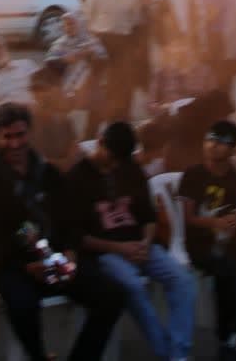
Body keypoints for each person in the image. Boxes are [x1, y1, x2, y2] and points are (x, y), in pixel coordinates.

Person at [0, 103, 126, 361]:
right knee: (23, 305)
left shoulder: (48, 174)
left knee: (111, 295)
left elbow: (71, 219)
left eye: (20, 135)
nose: (15, 143)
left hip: (55, 260)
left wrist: (71, 251)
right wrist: (26, 266)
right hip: (14, 266)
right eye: (7, 137)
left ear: (29, 132)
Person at [68, 121, 196, 361]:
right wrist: (119, 248)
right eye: (112, 158)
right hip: (105, 252)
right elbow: (78, 237)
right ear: (100, 143)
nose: (115, 165)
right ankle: (166, 352)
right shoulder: (77, 178)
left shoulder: (130, 168)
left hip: (140, 245)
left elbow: (148, 217)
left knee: (182, 280)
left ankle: (178, 354)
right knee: (132, 285)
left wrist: (146, 242)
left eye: (120, 160)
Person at [179, 121, 236, 360]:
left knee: (227, 269)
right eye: (210, 139)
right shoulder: (193, 174)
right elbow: (188, 219)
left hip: (226, 242)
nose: (213, 145)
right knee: (229, 269)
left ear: (233, 149)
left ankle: (228, 341)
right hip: (197, 243)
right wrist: (215, 223)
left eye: (222, 142)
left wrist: (232, 222)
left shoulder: (235, 178)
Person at [84, 0, 145, 125]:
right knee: (98, 84)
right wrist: (92, 42)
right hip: (102, 42)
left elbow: (136, 22)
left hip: (123, 42)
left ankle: (121, 118)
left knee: (124, 83)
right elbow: (87, 20)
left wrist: (135, 47)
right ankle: (94, 122)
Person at [44, 11, 107, 110]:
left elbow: (103, 58)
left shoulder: (90, 41)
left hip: (87, 82)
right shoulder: (60, 43)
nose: (68, 28)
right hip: (65, 79)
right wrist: (64, 60)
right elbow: (49, 61)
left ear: (80, 24)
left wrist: (89, 54)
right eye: (66, 25)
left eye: (72, 24)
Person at [29, 69, 80, 171]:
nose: (42, 95)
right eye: (37, 90)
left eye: (44, 89)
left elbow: (74, 152)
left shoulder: (65, 120)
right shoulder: (28, 121)